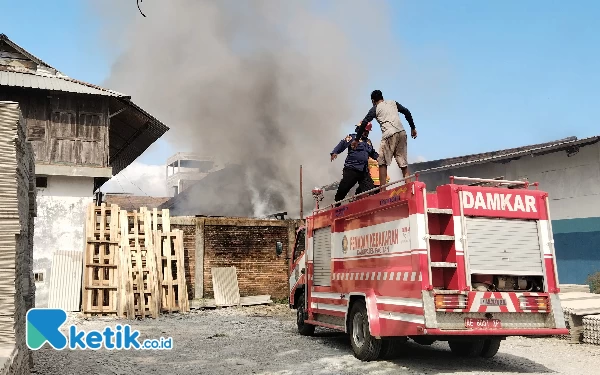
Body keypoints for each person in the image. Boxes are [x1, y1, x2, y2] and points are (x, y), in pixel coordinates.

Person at [352, 89, 417, 187]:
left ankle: (382, 190)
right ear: (382, 97)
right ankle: (410, 187)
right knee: (403, 163)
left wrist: (356, 139)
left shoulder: (375, 108)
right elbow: (406, 112)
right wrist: (413, 128)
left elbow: (364, 122)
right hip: (402, 133)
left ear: (373, 101)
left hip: (389, 134)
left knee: (382, 162)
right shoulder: (393, 103)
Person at [330, 122, 379, 206]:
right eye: (364, 130)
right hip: (351, 169)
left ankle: (371, 206)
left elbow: (373, 153)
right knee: (344, 188)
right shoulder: (352, 137)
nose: (365, 133)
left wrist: (381, 158)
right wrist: (335, 152)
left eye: (367, 131)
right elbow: (342, 144)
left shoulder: (368, 142)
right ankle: (337, 205)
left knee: (370, 190)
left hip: (364, 171)